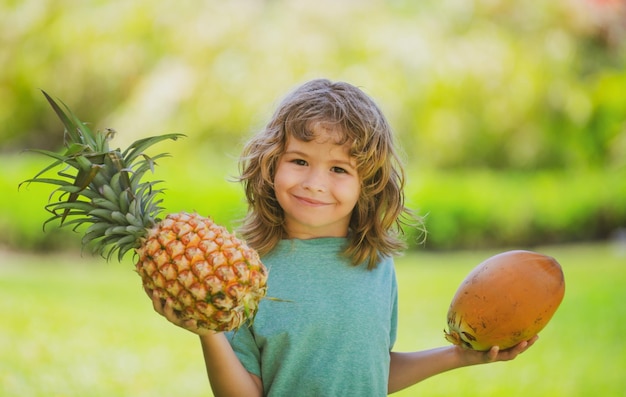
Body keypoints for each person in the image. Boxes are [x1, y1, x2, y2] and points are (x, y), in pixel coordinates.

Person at [149, 78, 538, 396]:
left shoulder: (375, 265)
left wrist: (458, 356)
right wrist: (210, 334)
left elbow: (369, 373)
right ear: (270, 164)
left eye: (339, 169)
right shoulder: (243, 272)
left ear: (367, 184)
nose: (315, 184)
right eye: (299, 161)